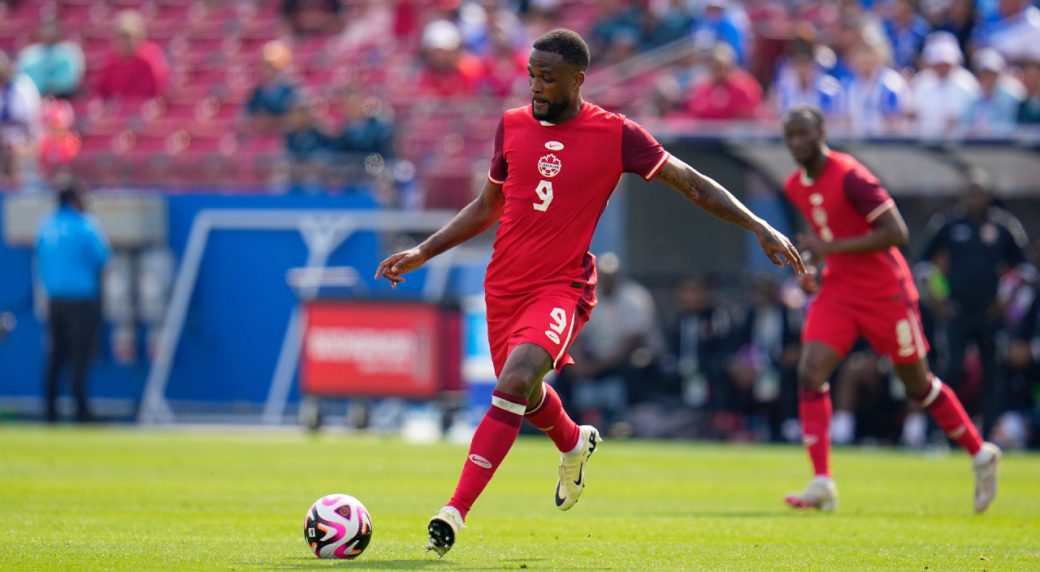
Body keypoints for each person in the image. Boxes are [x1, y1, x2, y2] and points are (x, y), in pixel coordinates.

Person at [375, 29, 804, 557]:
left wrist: (759, 224)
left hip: (561, 285)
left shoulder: (616, 134)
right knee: (525, 397)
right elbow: (487, 206)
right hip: (503, 287)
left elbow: (690, 182)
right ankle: (574, 441)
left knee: (513, 381)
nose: (536, 86)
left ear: (578, 79)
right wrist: (424, 251)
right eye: (532, 75)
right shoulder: (511, 125)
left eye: (548, 78)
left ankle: (454, 512)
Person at [780, 105, 1000, 514]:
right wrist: (812, 270)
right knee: (810, 371)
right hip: (840, 290)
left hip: (886, 293)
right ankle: (822, 480)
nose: (797, 143)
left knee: (918, 385)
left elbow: (896, 233)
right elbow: (822, 239)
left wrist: (827, 249)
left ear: (822, 132)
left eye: (804, 134)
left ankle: (980, 452)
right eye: (790, 136)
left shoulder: (852, 177)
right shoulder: (795, 185)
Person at [919, 169, 1030, 435]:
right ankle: (939, 433)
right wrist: (936, 302)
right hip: (956, 312)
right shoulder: (947, 224)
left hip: (990, 313)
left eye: (980, 193)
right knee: (951, 370)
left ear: (988, 196)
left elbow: (1026, 270)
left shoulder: (1004, 227)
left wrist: (1007, 302)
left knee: (993, 373)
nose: (975, 198)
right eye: (971, 193)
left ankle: (990, 434)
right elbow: (922, 267)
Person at [35, 179, 110, 423]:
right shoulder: (84, 226)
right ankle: (81, 410)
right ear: (74, 200)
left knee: (55, 356)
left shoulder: (46, 227)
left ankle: (50, 410)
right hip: (81, 300)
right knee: (80, 355)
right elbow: (101, 257)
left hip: (54, 300)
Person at [95, 10, 168, 102]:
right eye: (121, 37)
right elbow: (102, 95)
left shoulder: (149, 61)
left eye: (129, 37)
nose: (124, 43)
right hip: (118, 113)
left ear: (140, 38)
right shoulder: (110, 64)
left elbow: (159, 96)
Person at [16, 20, 85, 98]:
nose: (49, 33)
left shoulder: (70, 51)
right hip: (35, 99)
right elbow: (22, 82)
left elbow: (72, 81)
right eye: (46, 29)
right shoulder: (28, 55)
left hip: (63, 98)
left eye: (52, 29)